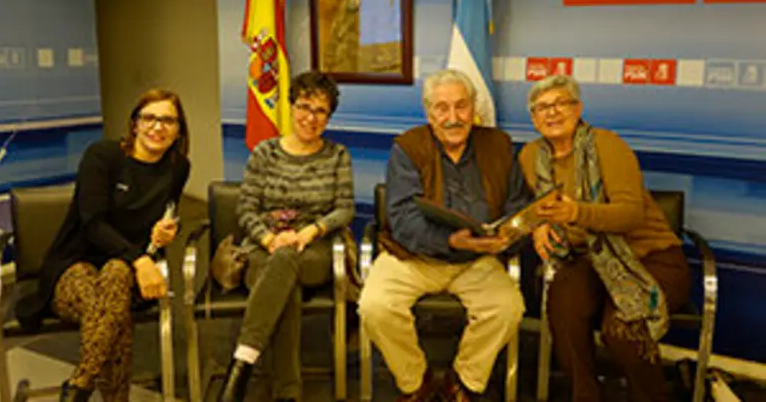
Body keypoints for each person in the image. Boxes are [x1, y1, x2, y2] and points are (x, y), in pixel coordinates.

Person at [357, 69, 530, 402]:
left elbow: (517, 205)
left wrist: (509, 236)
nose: (453, 117)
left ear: (474, 108)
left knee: (507, 307)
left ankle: (462, 381)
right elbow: (403, 220)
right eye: (442, 108)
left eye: (461, 106)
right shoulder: (407, 148)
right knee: (375, 307)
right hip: (414, 257)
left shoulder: (499, 145)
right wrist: (450, 240)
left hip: (477, 259)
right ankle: (415, 383)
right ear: (429, 113)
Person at [518, 75, 691, 402]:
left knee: (623, 329)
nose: (551, 113)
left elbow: (630, 215)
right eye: (541, 108)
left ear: (578, 108)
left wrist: (576, 214)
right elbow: (527, 207)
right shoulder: (529, 157)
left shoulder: (606, 145)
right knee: (563, 311)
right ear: (533, 118)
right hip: (585, 258)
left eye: (560, 104)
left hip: (650, 256)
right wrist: (536, 226)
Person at [16, 89, 191, 401]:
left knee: (117, 275)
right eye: (149, 117)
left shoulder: (178, 168)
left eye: (168, 120)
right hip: (75, 265)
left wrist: (163, 234)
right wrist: (140, 260)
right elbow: (92, 223)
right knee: (114, 307)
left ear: (178, 130)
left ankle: (79, 387)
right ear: (135, 124)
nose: (157, 126)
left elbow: (166, 215)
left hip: (126, 268)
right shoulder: (103, 156)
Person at [217, 71, 355, 402]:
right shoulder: (265, 153)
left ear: (329, 116)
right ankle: (287, 394)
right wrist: (268, 239)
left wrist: (309, 231)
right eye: (304, 106)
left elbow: (344, 209)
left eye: (320, 111)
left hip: (315, 251)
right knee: (284, 283)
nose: (310, 117)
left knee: (287, 261)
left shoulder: (337, 156)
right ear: (291, 107)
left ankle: (242, 362)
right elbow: (246, 209)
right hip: (264, 248)